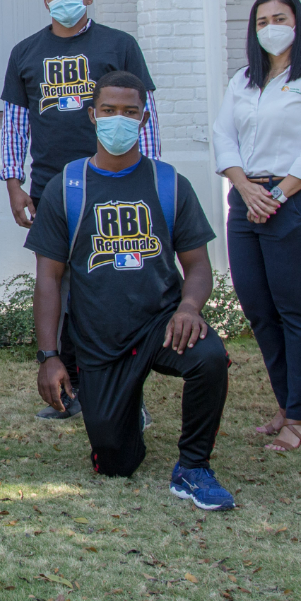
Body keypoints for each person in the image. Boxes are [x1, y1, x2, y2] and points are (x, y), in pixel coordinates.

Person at [28, 71, 234, 511]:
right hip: (99, 337)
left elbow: (198, 265)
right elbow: (48, 278)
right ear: (92, 115)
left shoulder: (168, 182)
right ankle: (126, 413)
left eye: (129, 112)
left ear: (143, 118)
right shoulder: (67, 186)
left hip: (162, 323)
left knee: (210, 358)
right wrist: (49, 357)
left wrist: (190, 307)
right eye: (108, 111)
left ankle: (193, 467)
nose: (118, 120)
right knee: (115, 464)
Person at [214, 0, 301, 453]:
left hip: (296, 202)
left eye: (280, 18)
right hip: (247, 202)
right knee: (260, 311)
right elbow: (223, 138)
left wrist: (275, 194)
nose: (271, 27)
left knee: (297, 311)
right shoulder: (243, 81)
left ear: (298, 23)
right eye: (262, 20)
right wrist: (244, 188)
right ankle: (287, 404)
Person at [1, 0, 158, 232]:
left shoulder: (120, 45)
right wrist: (14, 184)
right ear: (46, 1)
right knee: (53, 269)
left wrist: (151, 173)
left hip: (115, 176)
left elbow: (146, 116)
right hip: (50, 183)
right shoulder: (24, 52)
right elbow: (14, 126)